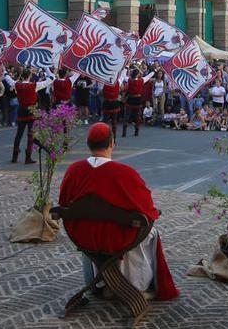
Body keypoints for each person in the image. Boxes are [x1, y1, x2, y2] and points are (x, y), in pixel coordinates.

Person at [57, 122, 179, 301]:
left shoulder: (74, 171)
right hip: (119, 239)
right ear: (112, 143)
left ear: (89, 144)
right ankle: (131, 285)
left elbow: (63, 204)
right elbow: (146, 209)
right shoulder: (124, 173)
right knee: (148, 231)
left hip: (85, 237)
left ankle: (105, 282)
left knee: (110, 230)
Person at [14, 71, 51, 164]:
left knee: (19, 134)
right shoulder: (34, 85)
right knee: (30, 135)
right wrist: (51, 75)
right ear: (30, 76)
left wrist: (5, 73)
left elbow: (8, 80)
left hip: (21, 110)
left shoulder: (17, 85)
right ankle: (28, 157)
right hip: (31, 111)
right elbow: (48, 81)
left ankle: (14, 156)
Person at [123, 68, 153, 138]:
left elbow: (124, 77)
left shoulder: (129, 80)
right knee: (137, 116)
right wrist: (155, 70)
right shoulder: (141, 80)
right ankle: (136, 131)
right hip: (137, 99)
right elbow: (148, 76)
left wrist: (126, 67)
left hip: (130, 99)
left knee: (126, 115)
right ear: (137, 74)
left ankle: (124, 132)